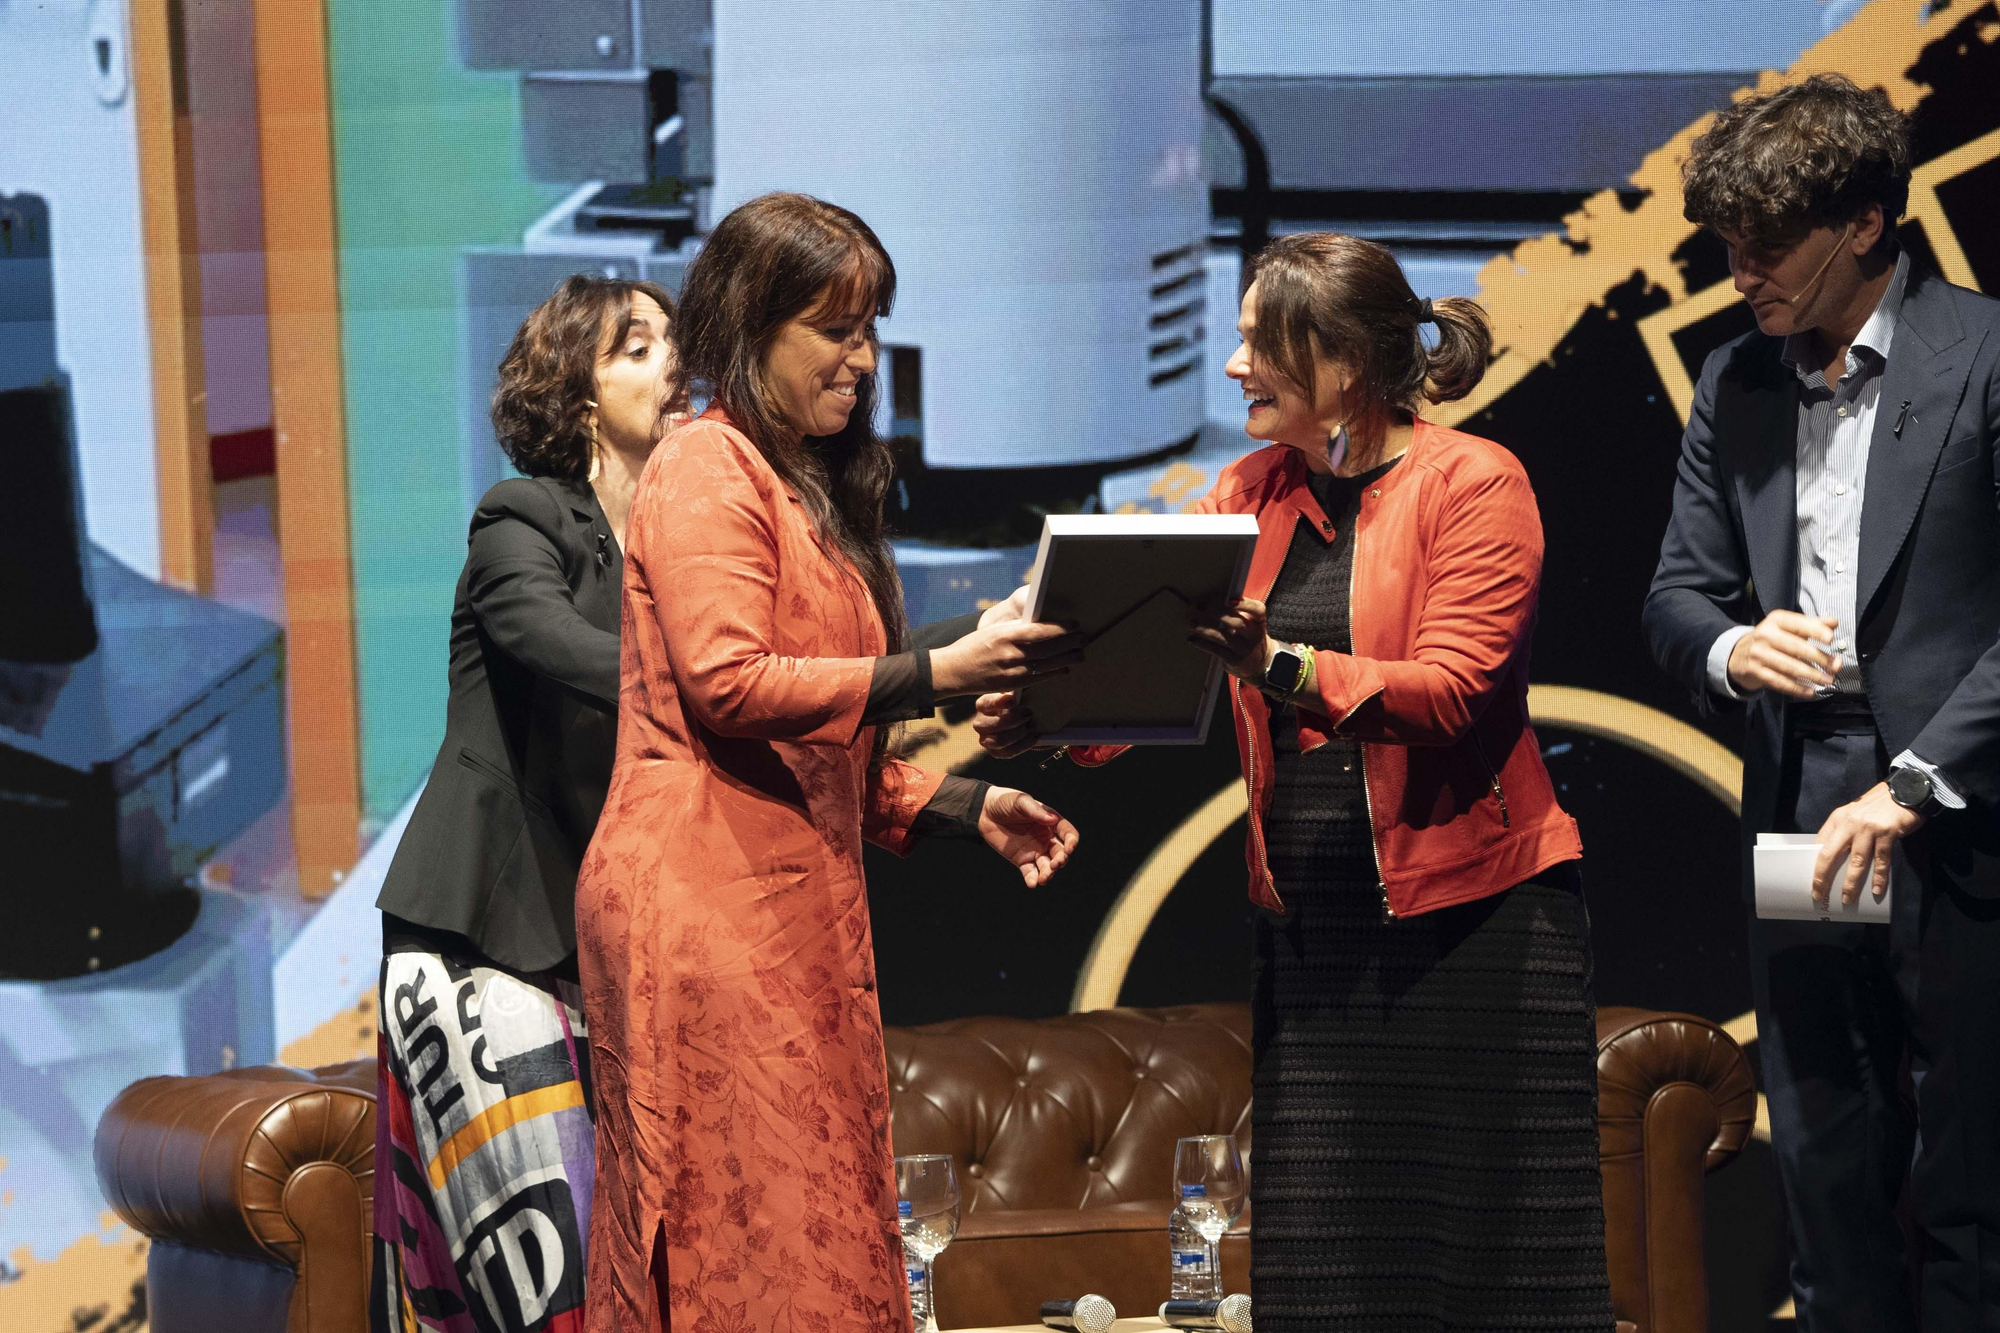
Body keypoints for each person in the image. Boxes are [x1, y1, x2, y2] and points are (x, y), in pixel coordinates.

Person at [978, 232, 1612, 1329]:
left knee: (1495, 1272)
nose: (1233, 370)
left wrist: (1280, 664)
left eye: (1258, 346)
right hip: (1315, 933)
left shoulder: (1472, 481)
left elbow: (1452, 691)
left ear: (1346, 364)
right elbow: (1160, 659)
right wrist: (1049, 717)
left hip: (1475, 928)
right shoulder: (1250, 488)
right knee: (1327, 1282)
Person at [574, 192, 1084, 1333]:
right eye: (832, 329)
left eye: (868, 327)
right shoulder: (706, 464)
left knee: (802, 1230)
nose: (859, 357)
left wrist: (960, 801)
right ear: (749, 329)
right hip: (701, 911)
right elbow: (729, 682)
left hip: (776, 905)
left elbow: (810, 746)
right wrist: (940, 670)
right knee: (743, 1240)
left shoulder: (794, 479)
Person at [1644, 74, 2000, 1332]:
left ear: (1861, 223)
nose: (1738, 272)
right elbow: (1676, 599)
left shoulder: (1986, 352)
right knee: (1822, 1157)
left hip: (1958, 812)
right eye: (1724, 247)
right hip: (1799, 799)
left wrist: (1911, 787)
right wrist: (1735, 651)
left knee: (1969, 1178)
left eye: (1764, 246)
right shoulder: (1733, 379)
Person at [369, 274, 688, 1332]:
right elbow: (549, 642)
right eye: (637, 345)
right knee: (551, 1291)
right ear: (580, 390)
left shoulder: (675, 549)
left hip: (590, 945)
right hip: (480, 943)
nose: (672, 362)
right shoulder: (521, 517)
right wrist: (719, 678)